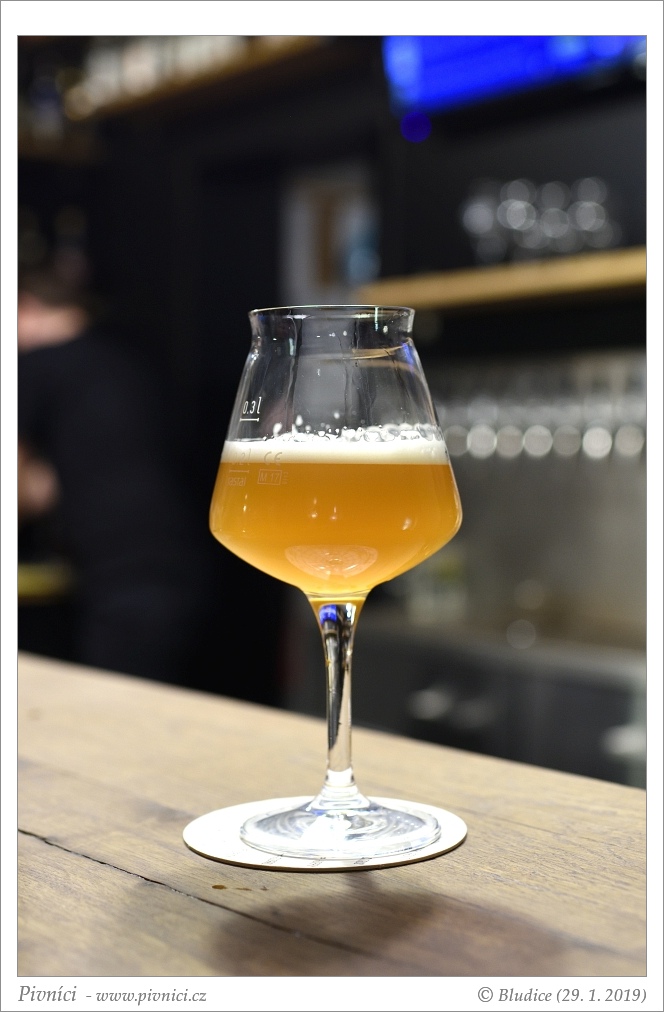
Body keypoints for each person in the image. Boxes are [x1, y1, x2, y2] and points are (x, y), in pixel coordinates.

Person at [17, 267, 219, 687]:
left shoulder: (39, 364)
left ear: (27, 308)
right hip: (187, 558)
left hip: (121, 573)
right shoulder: (126, 360)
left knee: (115, 702)